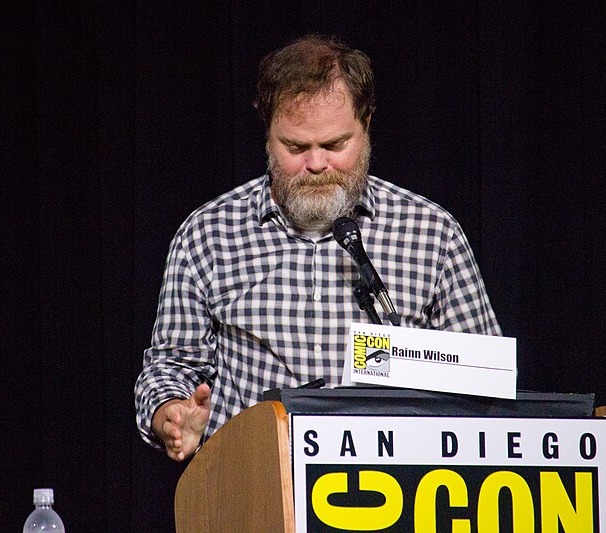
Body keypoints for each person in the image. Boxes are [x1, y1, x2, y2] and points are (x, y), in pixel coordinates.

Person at [135, 35, 501, 461]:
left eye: (333, 145)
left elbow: (487, 387)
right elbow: (168, 368)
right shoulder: (209, 234)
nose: (315, 164)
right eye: (295, 147)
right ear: (267, 135)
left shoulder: (432, 234)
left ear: (366, 123)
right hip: (253, 488)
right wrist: (173, 414)